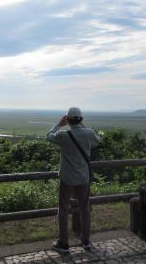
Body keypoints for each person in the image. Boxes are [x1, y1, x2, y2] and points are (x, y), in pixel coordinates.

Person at [46, 107, 101, 253]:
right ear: (81, 119)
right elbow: (98, 140)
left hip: (67, 179)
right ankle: (86, 240)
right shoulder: (88, 133)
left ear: (68, 120)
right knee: (85, 208)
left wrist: (59, 124)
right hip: (83, 178)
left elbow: (48, 136)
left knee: (63, 209)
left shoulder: (63, 135)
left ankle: (64, 242)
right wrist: (83, 126)